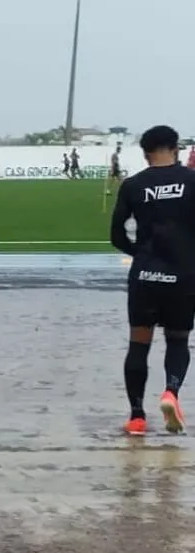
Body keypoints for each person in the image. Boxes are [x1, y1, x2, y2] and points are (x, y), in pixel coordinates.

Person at [110, 124, 195, 435]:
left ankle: (136, 416)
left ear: (145, 153)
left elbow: (116, 234)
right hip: (183, 274)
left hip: (145, 275)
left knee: (138, 345)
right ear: (176, 149)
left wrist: (138, 254)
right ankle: (171, 392)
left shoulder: (133, 185)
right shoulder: (192, 181)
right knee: (177, 339)